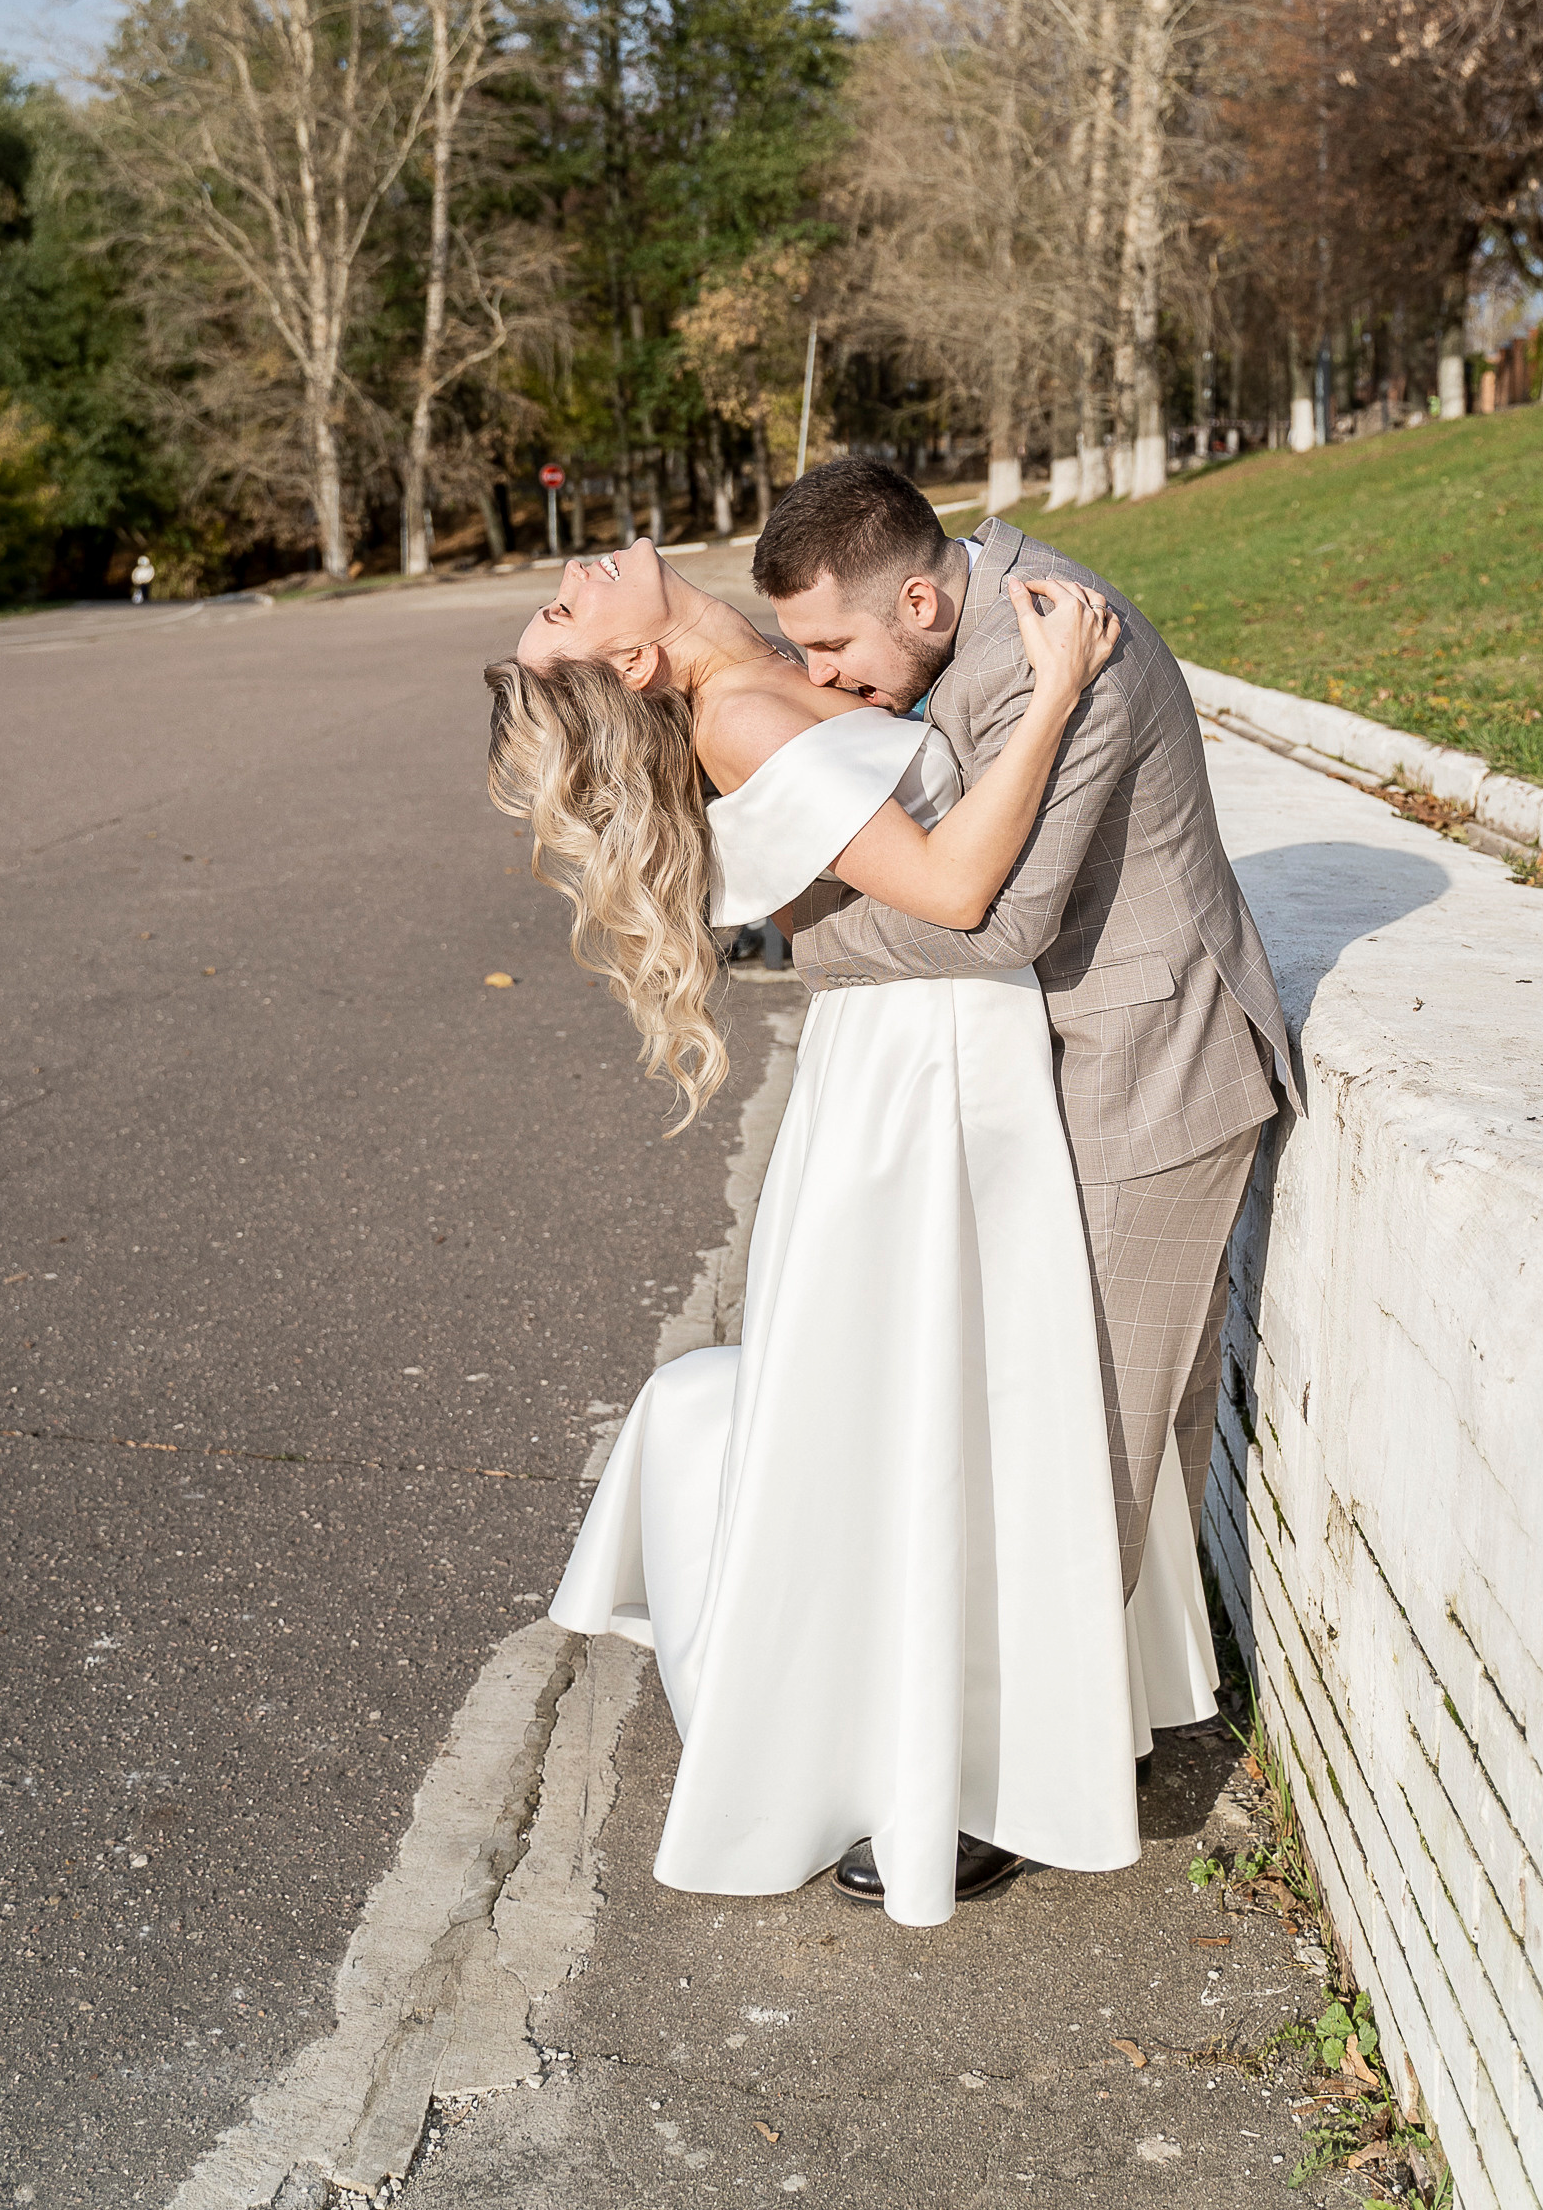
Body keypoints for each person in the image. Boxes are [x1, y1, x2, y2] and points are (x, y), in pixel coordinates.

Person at [488, 534, 1221, 1928]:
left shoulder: (772, 669)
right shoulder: (748, 714)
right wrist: (1059, 686)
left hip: (950, 1047)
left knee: (964, 1392)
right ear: (637, 665)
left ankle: (970, 1719)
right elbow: (953, 893)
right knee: (949, 1393)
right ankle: (942, 1757)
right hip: (928, 1062)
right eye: (558, 611)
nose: (570, 573)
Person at [754, 461, 1295, 1687]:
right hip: (1061, 1063)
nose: (822, 678)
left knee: (1086, 1435)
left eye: (833, 643)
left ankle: (1008, 1758)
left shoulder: (1060, 648)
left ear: (921, 605)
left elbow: (996, 924)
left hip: (1150, 1071)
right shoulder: (973, 627)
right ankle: (1082, 1709)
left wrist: (812, 941)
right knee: (1020, 1410)